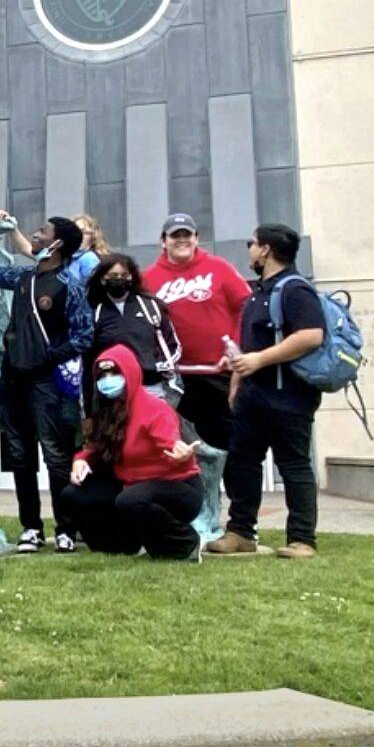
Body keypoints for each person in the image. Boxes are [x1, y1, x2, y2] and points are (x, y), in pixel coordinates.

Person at [0, 202, 93, 554]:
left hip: (46, 383)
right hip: (12, 380)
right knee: (20, 456)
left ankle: (66, 529)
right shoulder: (25, 277)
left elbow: (83, 336)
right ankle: (31, 528)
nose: (35, 235)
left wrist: (45, 359)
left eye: (43, 232)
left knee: (56, 456)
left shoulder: (71, 284)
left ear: (57, 245)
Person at [207, 224, 326, 560]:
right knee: (244, 463)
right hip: (252, 396)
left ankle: (302, 539)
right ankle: (241, 532)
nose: (249, 249)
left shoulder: (295, 289)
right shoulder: (259, 292)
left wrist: (259, 359)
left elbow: (311, 335)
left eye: (252, 243)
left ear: (266, 250)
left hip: (290, 395)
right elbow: (249, 343)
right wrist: (237, 376)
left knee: (294, 466)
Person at [58, 345, 203, 560]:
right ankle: (119, 547)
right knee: (73, 495)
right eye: (102, 375)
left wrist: (180, 452)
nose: (108, 380)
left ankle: (186, 545)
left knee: (130, 499)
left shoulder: (155, 410)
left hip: (176, 487)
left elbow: (170, 441)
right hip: (132, 488)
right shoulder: (107, 413)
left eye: (114, 372)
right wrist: (80, 461)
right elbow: (95, 449)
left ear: (130, 373)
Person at [143, 213, 251, 453]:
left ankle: (235, 492)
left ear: (196, 238)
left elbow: (247, 306)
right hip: (173, 380)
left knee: (230, 446)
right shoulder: (148, 279)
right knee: (179, 447)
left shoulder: (219, 268)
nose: (182, 240)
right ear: (163, 241)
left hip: (218, 374)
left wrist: (235, 346)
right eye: (175, 236)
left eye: (187, 235)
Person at [83, 254, 182, 405]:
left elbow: (173, 345)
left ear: (132, 277)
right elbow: (88, 362)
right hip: (113, 392)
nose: (119, 279)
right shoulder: (94, 312)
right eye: (113, 275)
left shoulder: (151, 307)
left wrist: (160, 365)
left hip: (152, 389)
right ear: (103, 279)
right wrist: (89, 409)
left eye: (124, 275)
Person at [0, 210, 106, 288]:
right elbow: (26, 249)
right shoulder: (57, 257)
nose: (80, 235)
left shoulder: (89, 259)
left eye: (83, 231)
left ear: (93, 236)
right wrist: (12, 227)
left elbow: (93, 290)